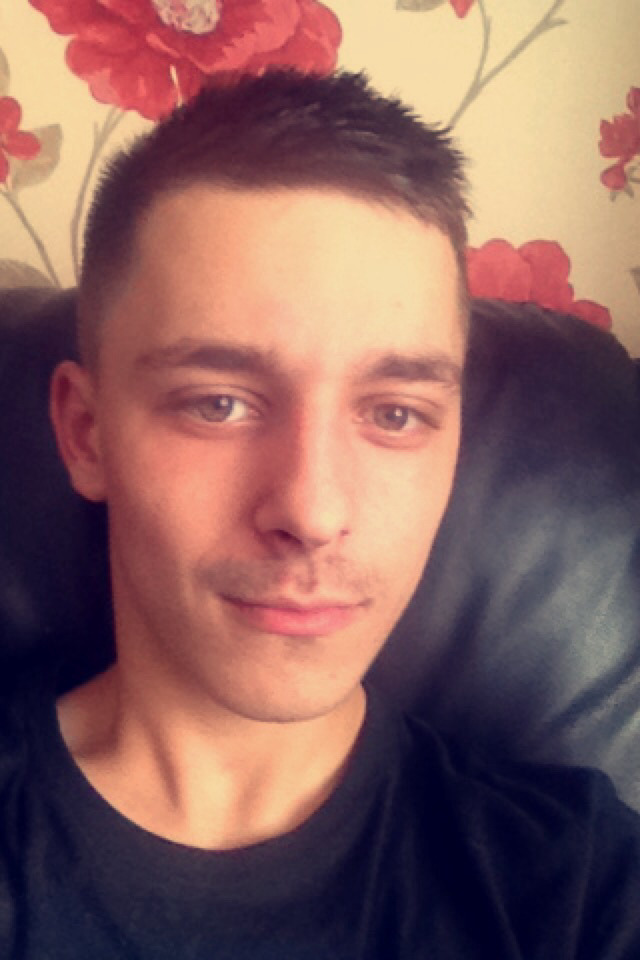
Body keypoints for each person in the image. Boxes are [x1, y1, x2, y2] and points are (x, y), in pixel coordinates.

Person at [1, 68, 639, 958]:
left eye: (396, 414)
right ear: (86, 434)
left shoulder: (579, 886)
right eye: (218, 403)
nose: (312, 509)